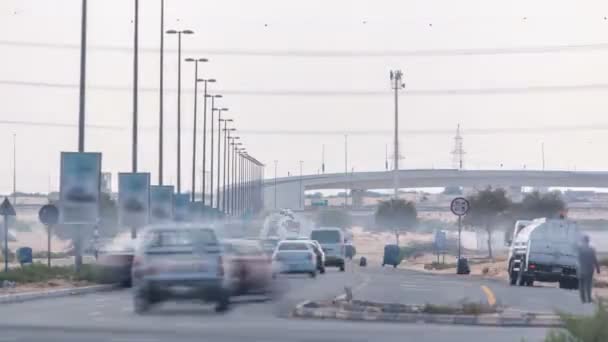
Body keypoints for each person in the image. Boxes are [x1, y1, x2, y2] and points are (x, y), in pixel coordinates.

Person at [577, 235, 600, 303]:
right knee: (588, 285)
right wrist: (598, 269)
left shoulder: (579, 249)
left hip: (581, 269)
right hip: (589, 270)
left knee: (581, 285)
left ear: (583, 241)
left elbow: (576, 259)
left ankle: (583, 299)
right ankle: (589, 299)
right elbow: (595, 260)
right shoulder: (591, 249)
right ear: (588, 241)